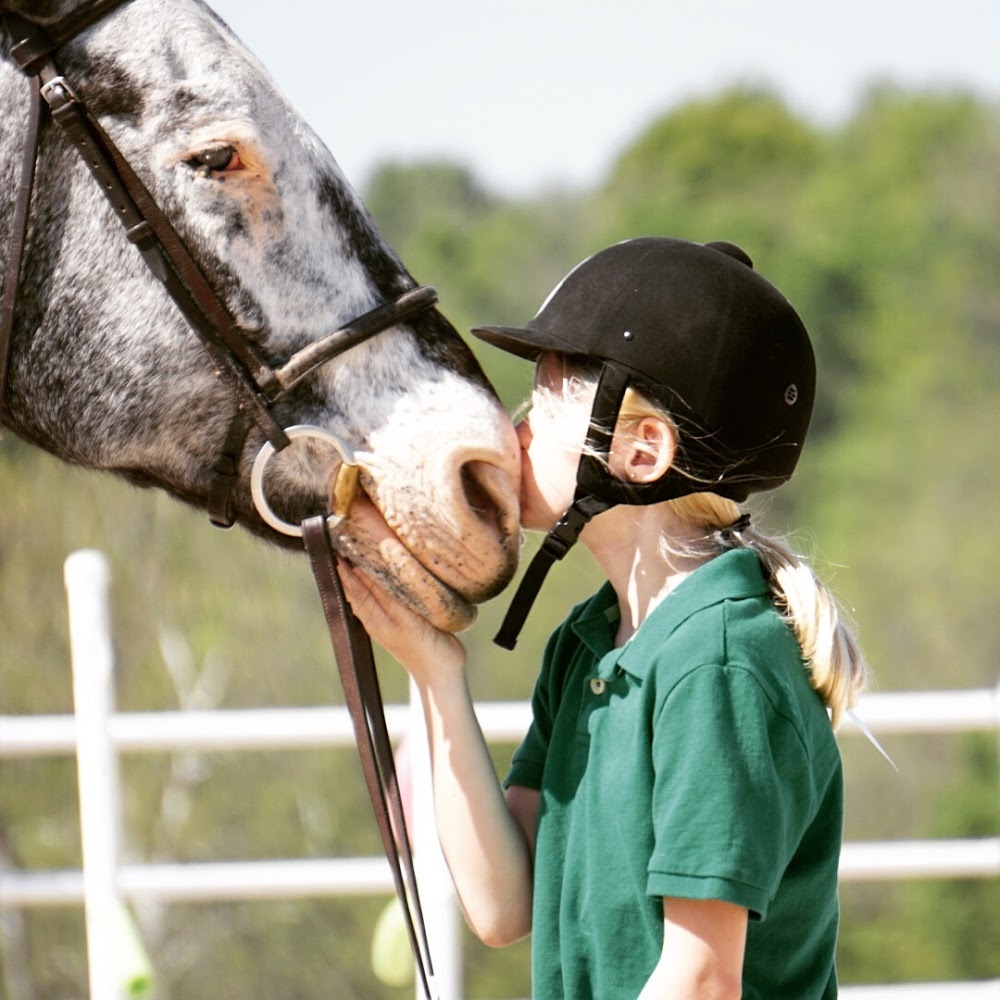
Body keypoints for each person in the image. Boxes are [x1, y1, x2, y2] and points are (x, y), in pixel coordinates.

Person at [339, 236, 867, 999]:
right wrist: (433, 673)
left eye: (539, 407)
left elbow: (703, 980)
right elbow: (502, 904)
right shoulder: (589, 644)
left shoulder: (718, 664)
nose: (513, 437)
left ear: (642, 450)